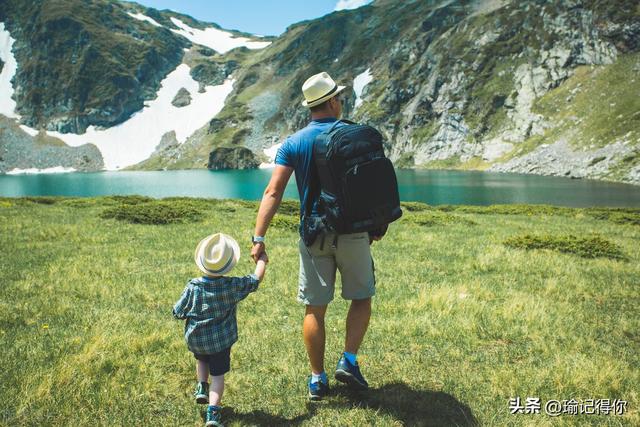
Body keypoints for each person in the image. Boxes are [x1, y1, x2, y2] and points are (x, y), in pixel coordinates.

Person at [251, 71, 383, 401]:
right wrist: (376, 222)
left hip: (313, 236)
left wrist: (259, 238)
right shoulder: (352, 135)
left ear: (311, 107)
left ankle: (317, 378)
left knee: (315, 309)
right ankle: (348, 361)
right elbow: (371, 183)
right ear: (334, 101)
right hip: (353, 233)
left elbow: (273, 192)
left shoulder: (294, 143)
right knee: (361, 297)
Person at [173, 232, 267, 427]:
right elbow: (254, 281)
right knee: (218, 376)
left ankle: (201, 387)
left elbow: (177, 311)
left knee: (201, 358)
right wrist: (262, 262)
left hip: (197, 340)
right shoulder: (231, 286)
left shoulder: (193, 287)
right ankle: (213, 414)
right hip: (221, 342)